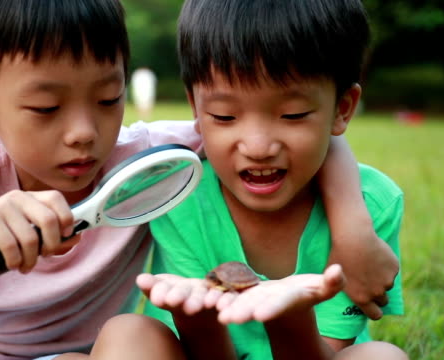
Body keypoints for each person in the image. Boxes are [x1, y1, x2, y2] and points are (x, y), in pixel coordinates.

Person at [0, 1, 394, 360]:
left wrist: (351, 225)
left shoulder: (152, 164)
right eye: (45, 107)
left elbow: (291, 127)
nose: (84, 133)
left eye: (108, 100)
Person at [130, 0, 407, 359]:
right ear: (195, 109)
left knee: (382, 356)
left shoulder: (374, 205)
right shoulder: (179, 194)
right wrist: (195, 320)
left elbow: (330, 351)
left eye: (293, 115)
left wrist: (290, 315)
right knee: (129, 332)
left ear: (342, 108)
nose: (258, 147)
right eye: (225, 116)